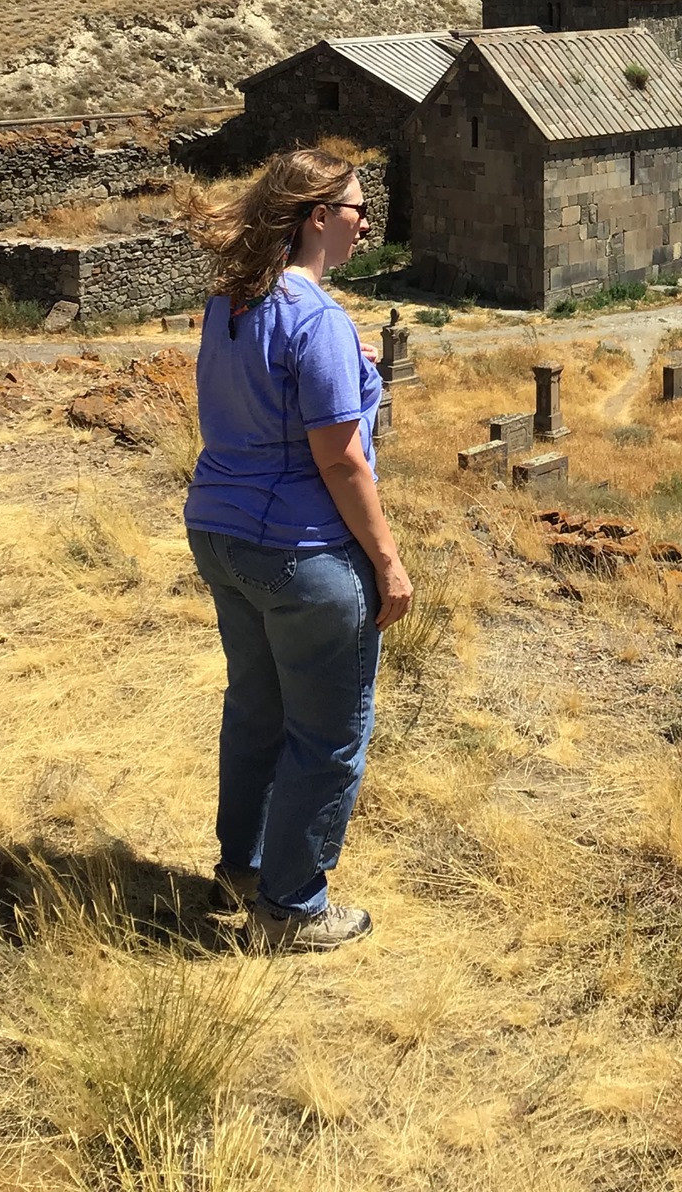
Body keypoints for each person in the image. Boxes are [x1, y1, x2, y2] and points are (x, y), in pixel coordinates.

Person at [182, 148, 413, 950]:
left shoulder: (230, 302)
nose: (364, 226)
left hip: (221, 533)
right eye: (356, 211)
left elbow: (262, 395)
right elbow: (341, 460)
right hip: (300, 551)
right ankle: (291, 909)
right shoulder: (316, 318)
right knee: (328, 736)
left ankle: (243, 869)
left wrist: (351, 365)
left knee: (256, 709)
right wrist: (387, 562)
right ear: (318, 217)